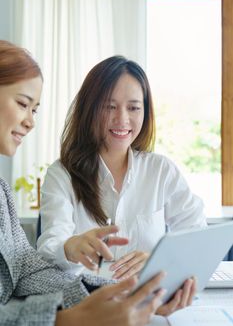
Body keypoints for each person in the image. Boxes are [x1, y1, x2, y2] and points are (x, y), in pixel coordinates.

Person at [0, 40, 167, 326]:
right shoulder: (62, 174)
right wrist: (67, 320)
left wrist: (120, 295)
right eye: (23, 104)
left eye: (35, 110)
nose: (30, 122)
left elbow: (25, 269)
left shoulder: (1, 190)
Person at [37, 55, 203, 315]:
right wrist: (71, 247)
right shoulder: (62, 175)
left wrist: (160, 262)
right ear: (89, 110)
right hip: (88, 312)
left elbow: (196, 235)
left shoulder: (161, 171)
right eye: (109, 106)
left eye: (134, 107)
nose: (122, 118)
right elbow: (49, 247)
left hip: (153, 311)